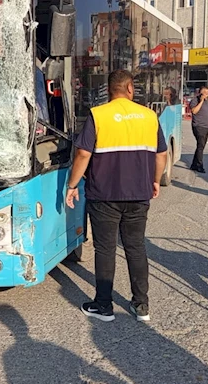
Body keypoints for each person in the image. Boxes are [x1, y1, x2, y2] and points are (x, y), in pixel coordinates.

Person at [66, 70, 168, 323]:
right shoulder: (149, 116)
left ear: (109, 90)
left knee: (105, 249)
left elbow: (82, 154)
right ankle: (141, 305)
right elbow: (161, 155)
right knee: (135, 247)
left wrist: (72, 185)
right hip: (138, 194)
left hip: (104, 195)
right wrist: (155, 181)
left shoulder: (98, 115)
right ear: (130, 88)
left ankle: (104, 306)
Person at [189, 86, 208, 173]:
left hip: (206, 126)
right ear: (201, 92)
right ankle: (199, 165)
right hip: (198, 126)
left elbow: (206, 114)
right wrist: (201, 101)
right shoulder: (195, 100)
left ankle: (194, 164)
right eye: (206, 92)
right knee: (200, 146)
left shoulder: (206, 102)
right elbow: (194, 111)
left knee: (201, 146)